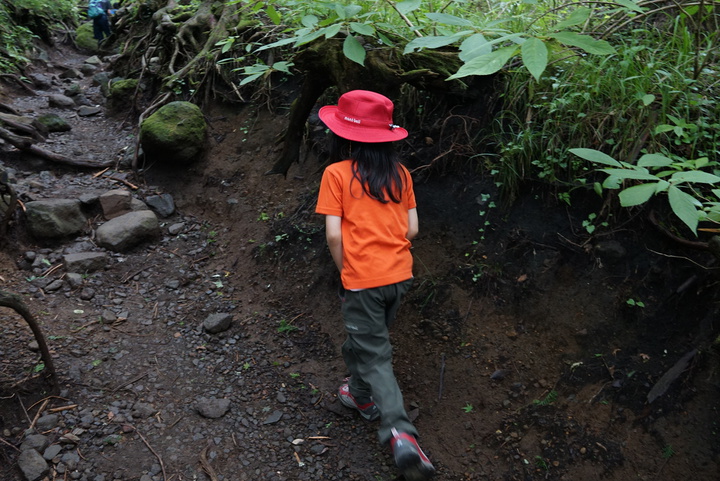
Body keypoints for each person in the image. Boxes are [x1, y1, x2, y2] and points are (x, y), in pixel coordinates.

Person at [315, 90, 436, 481]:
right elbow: (412, 228)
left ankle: (399, 431)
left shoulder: (335, 174)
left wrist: (346, 271)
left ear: (343, 134)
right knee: (368, 339)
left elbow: (335, 237)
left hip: (362, 279)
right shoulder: (401, 174)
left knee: (376, 353)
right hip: (399, 274)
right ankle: (359, 395)